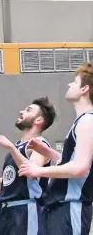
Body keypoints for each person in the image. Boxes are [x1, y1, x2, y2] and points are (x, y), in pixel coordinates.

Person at [19, 62, 93, 235]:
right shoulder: (81, 122)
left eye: (75, 82)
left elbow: (81, 168)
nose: (70, 84)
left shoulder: (87, 121)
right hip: (58, 207)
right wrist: (49, 153)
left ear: (84, 89)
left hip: (71, 207)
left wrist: (38, 170)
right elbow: (71, 162)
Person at [0, 97, 56, 235]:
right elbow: (14, 183)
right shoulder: (18, 146)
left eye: (28, 110)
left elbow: (31, 172)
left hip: (26, 210)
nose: (21, 111)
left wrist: (12, 148)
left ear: (39, 120)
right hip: (5, 211)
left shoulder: (39, 144)